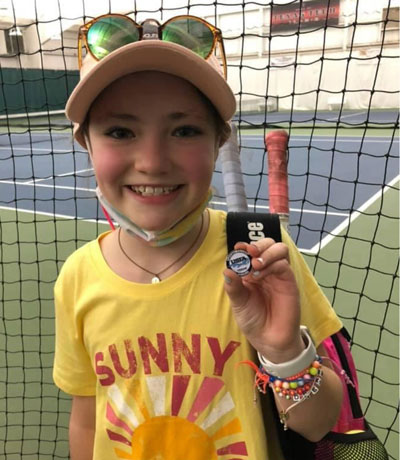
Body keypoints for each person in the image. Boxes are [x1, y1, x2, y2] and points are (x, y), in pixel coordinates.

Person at [53, 14, 344, 460]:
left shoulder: (263, 256)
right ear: (85, 143)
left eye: (185, 130)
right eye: (120, 131)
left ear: (218, 141)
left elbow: (318, 423)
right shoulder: (76, 278)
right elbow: (86, 419)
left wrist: (284, 350)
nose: (151, 162)